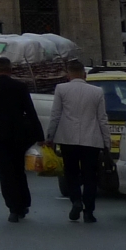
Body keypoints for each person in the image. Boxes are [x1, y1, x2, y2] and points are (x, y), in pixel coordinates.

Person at [0, 56, 45, 222]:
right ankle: (23, 204)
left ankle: (13, 207)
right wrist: (39, 136)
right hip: (18, 135)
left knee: (5, 172)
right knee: (19, 170)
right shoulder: (20, 87)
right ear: (10, 69)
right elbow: (30, 111)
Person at [48, 58, 112, 223]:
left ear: (68, 74)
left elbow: (55, 115)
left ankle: (76, 200)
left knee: (71, 173)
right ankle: (89, 211)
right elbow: (102, 119)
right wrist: (107, 143)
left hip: (67, 139)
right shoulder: (96, 92)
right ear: (85, 74)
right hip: (91, 140)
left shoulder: (61, 89)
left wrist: (50, 137)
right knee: (91, 175)